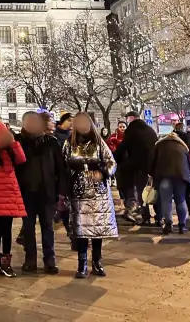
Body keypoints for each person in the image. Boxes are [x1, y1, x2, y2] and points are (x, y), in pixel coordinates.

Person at [62, 112, 117, 279]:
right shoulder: (68, 143)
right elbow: (63, 165)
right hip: (78, 190)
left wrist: (103, 172)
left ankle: (97, 262)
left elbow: (111, 162)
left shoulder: (99, 142)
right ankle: (82, 264)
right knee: (81, 229)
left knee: (97, 228)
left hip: (98, 190)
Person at [16, 111, 66, 274]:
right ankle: (30, 259)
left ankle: (50, 260)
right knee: (28, 228)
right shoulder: (18, 142)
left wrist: (61, 191)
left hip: (47, 192)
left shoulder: (51, 142)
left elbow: (61, 168)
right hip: (26, 192)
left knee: (47, 227)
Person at [0, 118, 26, 278]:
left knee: (7, 231)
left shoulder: (10, 151)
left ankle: (6, 263)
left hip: (8, 194)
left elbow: (22, 158)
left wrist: (13, 141)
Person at [114, 111, 158, 225]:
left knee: (142, 192)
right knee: (154, 190)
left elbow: (124, 146)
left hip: (139, 166)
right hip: (153, 165)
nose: (127, 121)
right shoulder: (150, 129)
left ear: (131, 118)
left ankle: (146, 217)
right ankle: (160, 217)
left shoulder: (132, 130)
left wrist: (116, 157)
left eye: (127, 118)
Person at [149, 130, 190, 234]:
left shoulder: (159, 146)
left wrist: (152, 176)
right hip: (181, 177)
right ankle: (182, 226)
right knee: (181, 200)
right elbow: (189, 164)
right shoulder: (182, 146)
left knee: (166, 201)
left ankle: (168, 225)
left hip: (164, 177)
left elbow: (152, 162)